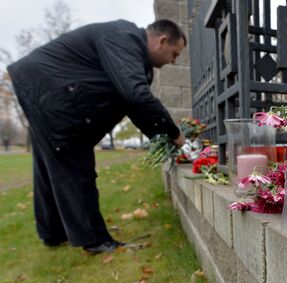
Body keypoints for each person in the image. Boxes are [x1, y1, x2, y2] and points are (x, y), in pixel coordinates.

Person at [7, 19, 186, 253]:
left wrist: (159, 134)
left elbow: (134, 105)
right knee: (75, 163)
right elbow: (135, 95)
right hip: (49, 92)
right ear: (162, 41)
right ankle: (94, 240)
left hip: (42, 87)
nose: (173, 61)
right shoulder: (124, 39)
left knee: (49, 162)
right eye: (174, 54)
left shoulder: (130, 50)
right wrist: (174, 133)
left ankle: (52, 233)